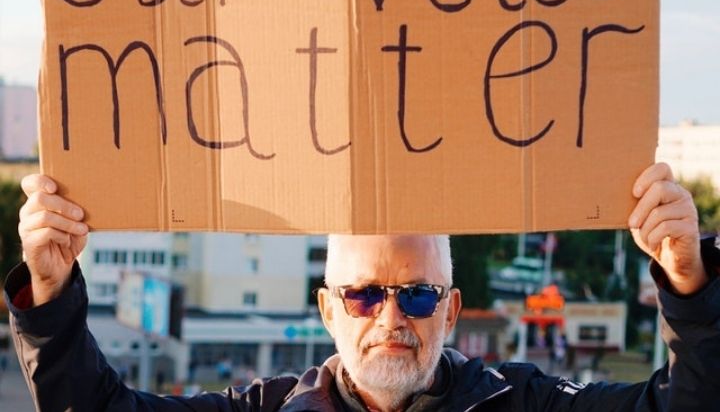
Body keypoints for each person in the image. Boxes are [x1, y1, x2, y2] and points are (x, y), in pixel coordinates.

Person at [3, 163, 720, 411]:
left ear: (451, 309)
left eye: (415, 295)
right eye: (364, 295)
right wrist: (49, 286)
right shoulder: (266, 411)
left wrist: (687, 280)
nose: (390, 317)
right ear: (326, 309)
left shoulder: (523, 402)